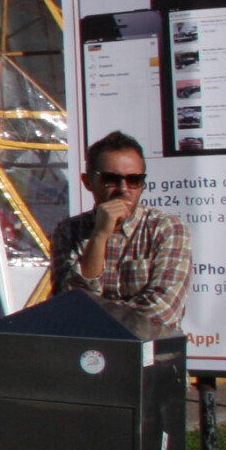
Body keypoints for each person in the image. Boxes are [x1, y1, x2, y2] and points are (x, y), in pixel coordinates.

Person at [50, 131, 190, 335]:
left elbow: (162, 311)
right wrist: (99, 236)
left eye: (134, 180)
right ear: (88, 182)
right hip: (87, 349)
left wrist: (93, 321)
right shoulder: (69, 231)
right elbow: (68, 303)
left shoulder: (166, 228)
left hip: (149, 350)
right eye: (111, 179)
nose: (124, 189)